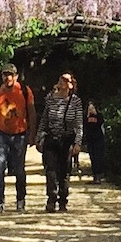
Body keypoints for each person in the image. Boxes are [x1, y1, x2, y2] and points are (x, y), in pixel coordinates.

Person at [0, 67, 36, 210]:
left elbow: (31, 112)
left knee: (19, 169)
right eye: (5, 75)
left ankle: (20, 200)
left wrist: (32, 134)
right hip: (1, 134)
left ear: (16, 76)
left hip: (19, 134)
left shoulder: (24, 91)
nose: (7, 78)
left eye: (10, 75)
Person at [36, 71, 85, 212]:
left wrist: (77, 143)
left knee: (64, 171)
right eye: (61, 79)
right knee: (50, 169)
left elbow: (79, 124)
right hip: (51, 139)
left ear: (71, 84)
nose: (63, 82)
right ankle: (51, 198)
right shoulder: (51, 99)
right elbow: (44, 120)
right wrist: (39, 137)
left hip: (67, 140)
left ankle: (63, 200)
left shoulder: (75, 101)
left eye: (66, 80)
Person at [83, 100, 108, 181]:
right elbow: (84, 127)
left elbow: (101, 123)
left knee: (99, 157)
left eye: (92, 108)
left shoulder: (99, 116)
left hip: (98, 139)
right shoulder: (85, 117)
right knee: (92, 157)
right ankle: (95, 175)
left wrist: (96, 115)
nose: (91, 110)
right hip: (90, 140)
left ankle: (99, 175)